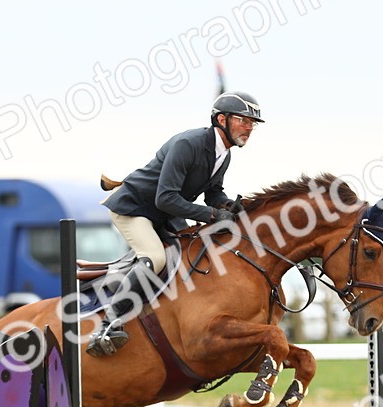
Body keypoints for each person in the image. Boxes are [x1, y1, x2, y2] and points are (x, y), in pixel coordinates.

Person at [87, 91, 264, 357]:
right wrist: (214, 216)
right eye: (243, 120)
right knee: (155, 257)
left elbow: (213, 193)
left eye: (253, 123)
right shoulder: (188, 144)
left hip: (164, 212)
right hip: (135, 209)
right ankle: (107, 325)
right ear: (221, 120)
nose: (249, 128)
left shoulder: (223, 155)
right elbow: (166, 197)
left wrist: (230, 207)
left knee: (191, 254)